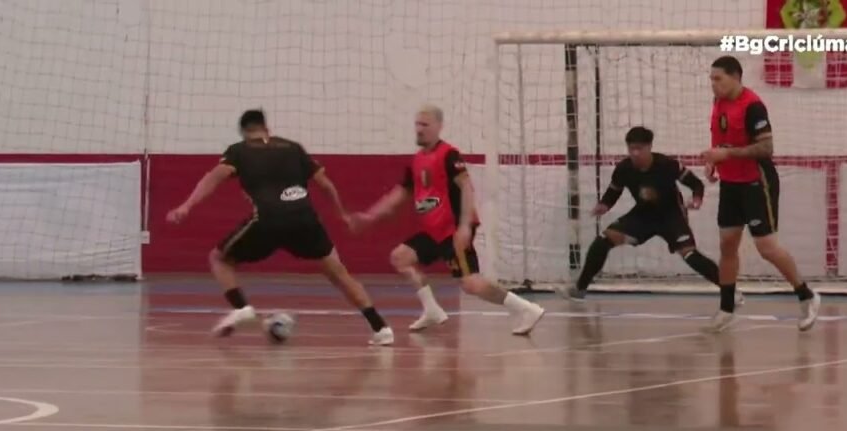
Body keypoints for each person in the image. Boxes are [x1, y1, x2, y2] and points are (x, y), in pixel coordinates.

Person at [166, 109, 394, 345]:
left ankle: (242, 307)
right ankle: (381, 328)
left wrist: (186, 206)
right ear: (267, 128)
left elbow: (212, 178)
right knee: (338, 272)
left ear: (244, 132)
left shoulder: (239, 151)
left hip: (268, 219)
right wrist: (342, 215)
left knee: (219, 258)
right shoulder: (293, 148)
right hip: (305, 218)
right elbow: (326, 185)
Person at [349, 105, 545, 335]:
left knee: (470, 284)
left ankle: (526, 309)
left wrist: (463, 226)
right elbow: (400, 193)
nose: (419, 129)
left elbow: (466, 187)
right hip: (433, 232)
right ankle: (432, 310)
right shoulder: (417, 160)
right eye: (417, 124)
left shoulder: (449, 155)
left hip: (452, 230)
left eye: (425, 125)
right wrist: (370, 216)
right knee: (400, 257)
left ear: (438, 127)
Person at [701, 56, 820, 332]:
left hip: (756, 182)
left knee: (766, 248)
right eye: (711, 79)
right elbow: (721, 137)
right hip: (730, 184)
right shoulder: (719, 102)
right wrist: (713, 161)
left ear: (735, 77)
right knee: (727, 245)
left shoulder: (752, 106)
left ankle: (807, 295)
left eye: (718, 79)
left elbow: (766, 149)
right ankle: (727, 308)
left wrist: (726, 154)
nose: (713, 84)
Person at [556, 126, 737, 302]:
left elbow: (697, 184)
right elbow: (613, 192)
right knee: (602, 241)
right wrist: (604, 205)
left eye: (639, 149)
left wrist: (697, 200)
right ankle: (579, 289)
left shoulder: (667, 165)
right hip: (643, 216)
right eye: (631, 148)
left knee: (690, 255)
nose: (635, 153)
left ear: (650, 147)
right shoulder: (624, 169)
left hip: (671, 216)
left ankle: (730, 293)